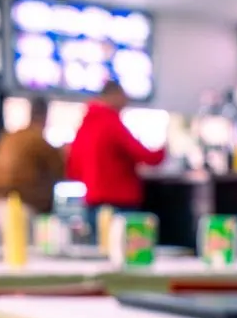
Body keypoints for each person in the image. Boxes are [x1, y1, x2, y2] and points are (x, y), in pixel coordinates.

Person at [67, 81, 166, 238]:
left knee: (98, 253)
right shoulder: (111, 122)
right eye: (123, 96)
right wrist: (163, 149)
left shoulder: (85, 124)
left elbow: (73, 168)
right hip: (120, 203)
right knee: (127, 255)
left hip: (93, 203)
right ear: (114, 96)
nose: (125, 101)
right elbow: (147, 157)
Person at [0, 96, 64, 240]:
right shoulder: (39, 141)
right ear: (46, 116)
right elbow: (61, 170)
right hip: (21, 210)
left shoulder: (8, 137)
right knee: (25, 260)